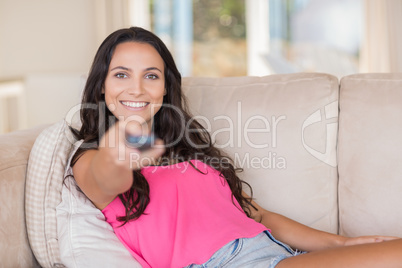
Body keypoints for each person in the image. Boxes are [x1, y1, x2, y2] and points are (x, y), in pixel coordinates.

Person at [70, 27, 402, 268]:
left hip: (278, 254)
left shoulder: (186, 150)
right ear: (102, 85)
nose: (137, 88)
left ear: (165, 88)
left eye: (151, 76)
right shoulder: (90, 159)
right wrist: (118, 150)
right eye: (122, 75)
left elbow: (257, 214)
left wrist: (342, 243)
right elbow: (109, 177)